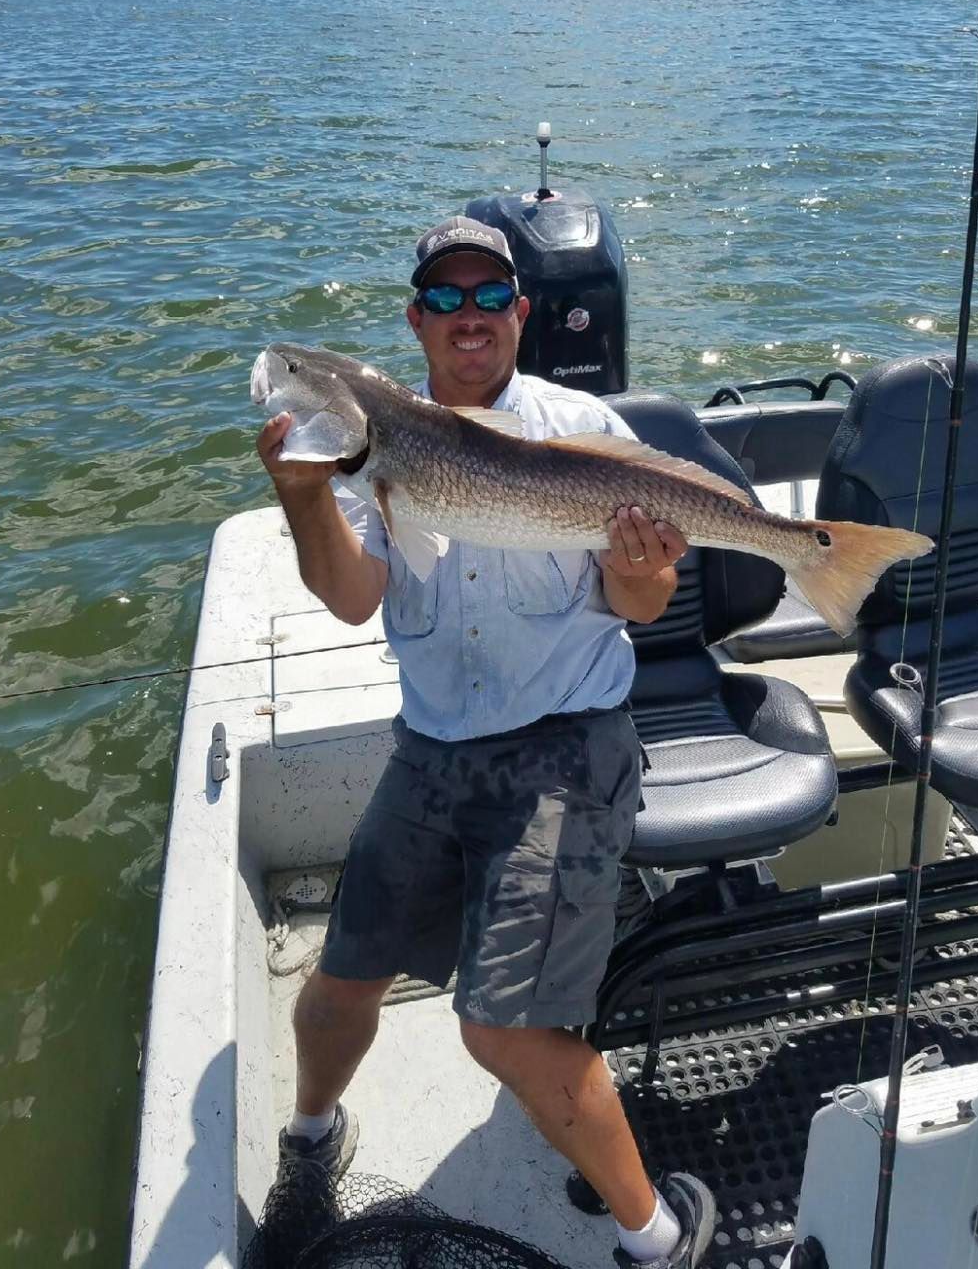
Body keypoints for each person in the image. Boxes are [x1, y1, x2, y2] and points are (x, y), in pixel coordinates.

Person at [256, 216, 716, 1268]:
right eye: (445, 298)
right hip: (433, 744)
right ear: (415, 320)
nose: (469, 316)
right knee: (338, 983)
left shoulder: (578, 428)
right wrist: (300, 497)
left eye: (488, 296)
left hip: (567, 742)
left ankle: (658, 1239)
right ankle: (312, 1138)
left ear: (521, 310)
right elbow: (350, 594)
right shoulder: (376, 447)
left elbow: (641, 604)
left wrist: (643, 566)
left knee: (498, 1029)